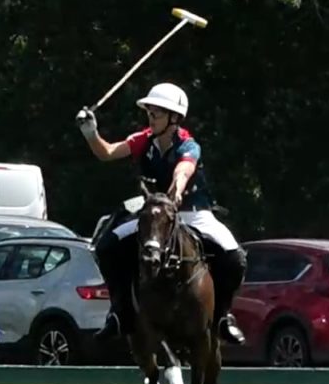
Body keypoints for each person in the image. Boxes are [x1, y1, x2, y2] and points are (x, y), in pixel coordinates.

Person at [75, 82, 246, 345]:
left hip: (192, 213)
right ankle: (119, 312)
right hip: (153, 214)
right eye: (149, 113)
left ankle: (223, 317)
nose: (150, 118)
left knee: (235, 258)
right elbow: (106, 152)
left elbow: (184, 170)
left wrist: (176, 192)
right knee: (106, 247)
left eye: (156, 113)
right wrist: (90, 132)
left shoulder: (188, 145)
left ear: (174, 118)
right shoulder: (144, 140)